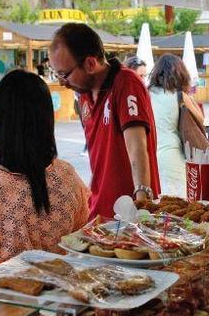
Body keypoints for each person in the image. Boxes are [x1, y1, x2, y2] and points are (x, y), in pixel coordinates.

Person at [0, 70, 90, 265]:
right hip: (64, 292)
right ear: (46, 121)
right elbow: (82, 244)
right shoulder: (68, 175)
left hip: (1, 295)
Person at [49, 23, 160, 218]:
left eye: (64, 74)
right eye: (57, 74)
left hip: (131, 213)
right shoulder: (83, 95)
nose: (61, 82)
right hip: (99, 211)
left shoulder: (126, 83)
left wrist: (143, 202)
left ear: (90, 64)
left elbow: (137, 147)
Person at [147, 54, 205, 197]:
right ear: (181, 74)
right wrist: (187, 98)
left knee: (155, 204)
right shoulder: (179, 95)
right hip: (172, 154)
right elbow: (200, 119)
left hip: (149, 156)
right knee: (177, 202)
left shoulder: (146, 93)